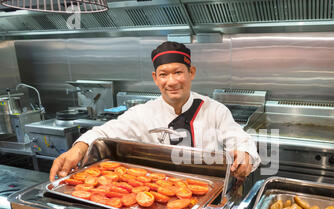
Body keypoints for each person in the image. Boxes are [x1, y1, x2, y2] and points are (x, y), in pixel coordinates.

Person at [49, 41, 260, 182]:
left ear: (191, 73)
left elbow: (241, 140)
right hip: (158, 201)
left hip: (210, 199)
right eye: (163, 74)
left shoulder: (214, 111)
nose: (171, 82)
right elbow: (104, 132)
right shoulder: (142, 114)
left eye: (178, 72)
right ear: (155, 78)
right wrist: (77, 149)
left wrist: (245, 156)